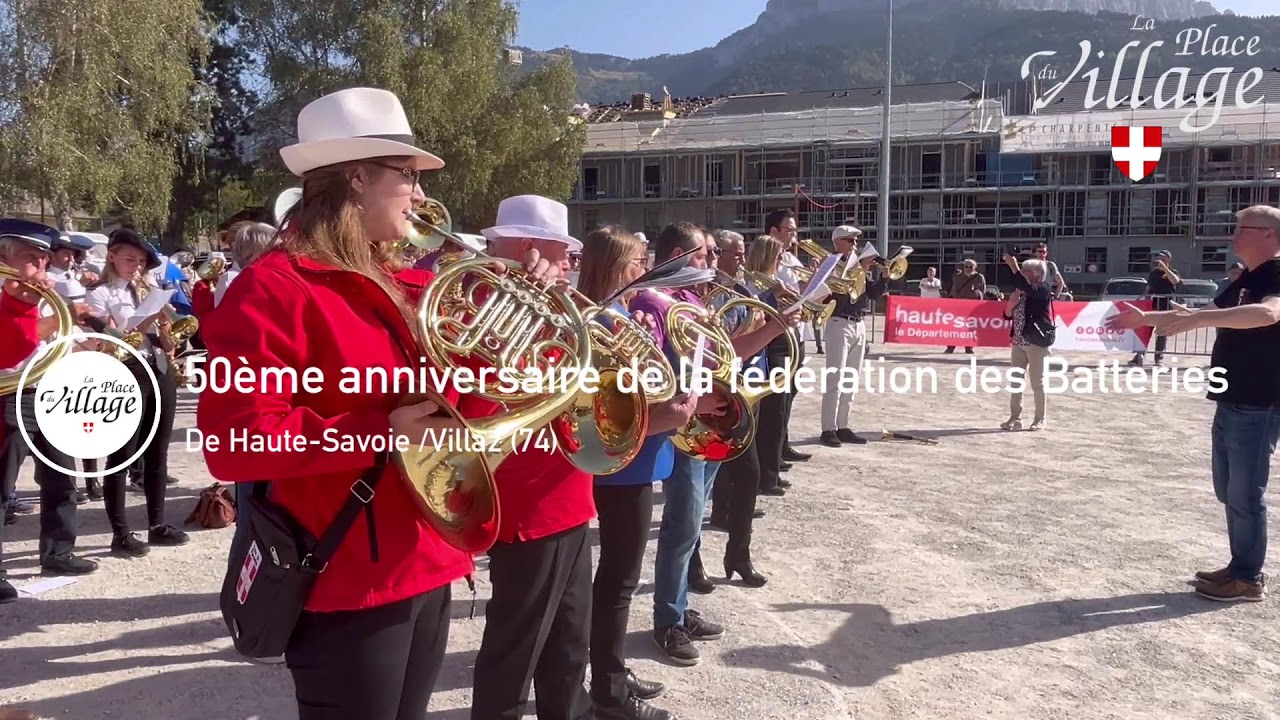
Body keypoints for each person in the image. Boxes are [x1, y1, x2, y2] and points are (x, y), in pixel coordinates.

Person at [197, 86, 535, 719]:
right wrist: (381, 432)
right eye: (406, 174)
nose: (420, 193)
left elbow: (457, 413)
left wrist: (513, 335)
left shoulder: (411, 284)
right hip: (350, 580)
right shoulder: (272, 289)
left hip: (430, 556)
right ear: (356, 177)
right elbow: (235, 441)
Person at [630, 221, 798, 666]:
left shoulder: (693, 301)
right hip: (684, 426)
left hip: (709, 423)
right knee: (682, 525)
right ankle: (667, 620)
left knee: (691, 526)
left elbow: (729, 355)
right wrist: (695, 401)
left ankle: (679, 607)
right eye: (704, 253)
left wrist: (776, 326)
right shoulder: (652, 301)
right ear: (678, 257)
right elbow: (650, 375)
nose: (712, 260)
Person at [463, 194, 601, 720]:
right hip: (526, 507)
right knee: (514, 655)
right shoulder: (480, 305)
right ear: (529, 249)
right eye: (563, 256)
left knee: (569, 647)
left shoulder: (553, 311)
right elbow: (479, 407)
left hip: (568, 498)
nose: (569, 267)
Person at [1108, 204, 1280, 602]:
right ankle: (1240, 566)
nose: (1233, 236)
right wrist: (1146, 320)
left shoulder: (1276, 274)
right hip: (1232, 398)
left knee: (1245, 494)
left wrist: (1199, 320)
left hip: (1258, 401)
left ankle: (1247, 578)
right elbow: (1197, 314)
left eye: (1241, 229)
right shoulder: (1247, 278)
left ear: (1268, 234)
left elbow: (1269, 314)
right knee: (1228, 490)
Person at [579, 225, 697, 720]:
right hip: (621, 466)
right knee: (619, 580)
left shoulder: (621, 312)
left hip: (638, 460)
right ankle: (608, 688)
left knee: (618, 578)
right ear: (614, 268)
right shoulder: (599, 319)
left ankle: (611, 670)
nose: (645, 270)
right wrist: (666, 415)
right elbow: (605, 409)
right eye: (636, 263)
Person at [0, 219, 100, 597]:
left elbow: (57, 341)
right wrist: (57, 316)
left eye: (44, 258)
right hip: (11, 393)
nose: (42, 267)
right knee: (2, 486)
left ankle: (58, 552)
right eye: (32, 258)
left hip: (49, 390)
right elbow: (14, 343)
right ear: (4, 257)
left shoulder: (43, 292)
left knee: (60, 477)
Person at [85, 228, 188, 557]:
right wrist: (147, 316)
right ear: (112, 256)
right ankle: (120, 533)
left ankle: (157, 524)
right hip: (124, 371)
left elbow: (163, 342)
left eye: (141, 262)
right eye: (130, 259)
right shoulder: (100, 295)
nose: (137, 267)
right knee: (122, 453)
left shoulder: (147, 289)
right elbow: (111, 341)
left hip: (157, 367)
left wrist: (168, 331)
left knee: (158, 449)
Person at [817, 233, 889, 447]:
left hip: (858, 324)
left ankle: (843, 426)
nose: (855, 244)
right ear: (837, 242)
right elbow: (843, 295)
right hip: (839, 323)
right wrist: (862, 270)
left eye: (856, 241)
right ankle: (828, 429)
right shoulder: (833, 264)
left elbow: (873, 294)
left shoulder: (857, 267)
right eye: (850, 240)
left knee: (851, 379)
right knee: (835, 379)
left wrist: (884, 276)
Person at [998, 253, 1054, 432]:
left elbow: (1028, 288)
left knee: (1038, 383)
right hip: (1018, 341)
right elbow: (1007, 316)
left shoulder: (1043, 288)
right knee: (1016, 381)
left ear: (1037, 274)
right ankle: (1015, 418)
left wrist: (1013, 267)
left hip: (1036, 342)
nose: (1022, 273)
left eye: (1025, 270)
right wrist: (1010, 304)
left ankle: (1040, 419)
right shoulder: (1021, 290)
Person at [1128, 250, 1180, 367]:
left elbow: (1175, 281)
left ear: (1168, 259)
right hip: (1151, 305)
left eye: (1162, 258)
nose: (1159, 260)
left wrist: (1165, 268)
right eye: (1158, 258)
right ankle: (1139, 356)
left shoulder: (1173, 272)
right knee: (1145, 331)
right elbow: (1149, 287)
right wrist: (1142, 298)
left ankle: (1158, 358)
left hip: (1165, 306)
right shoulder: (1153, 273)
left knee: (1162, 332)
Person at [945, 259, 985, 354]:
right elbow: (954, 290)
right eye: (966, 266)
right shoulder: (958, 277)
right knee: (955, 326)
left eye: (970, 267)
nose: (968, 269)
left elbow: (982, 290)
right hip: (959, 306)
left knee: (971, 327)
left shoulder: (979, 277)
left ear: (974, 268)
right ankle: (951, 346)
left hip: (972, 307)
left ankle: (969, 347)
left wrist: (977, 297)